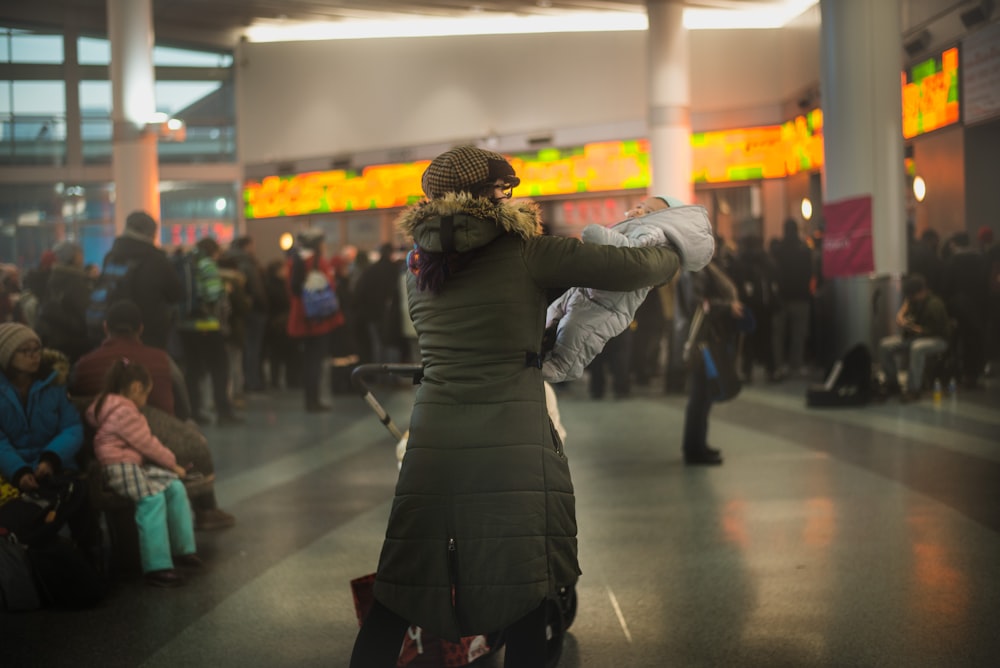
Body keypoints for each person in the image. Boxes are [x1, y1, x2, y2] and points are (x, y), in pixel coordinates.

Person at [349, 147, 688, 668]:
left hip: (434, 439)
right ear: (492, 196)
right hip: (510, 437)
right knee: (526, 585)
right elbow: (636, 267)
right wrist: (672, 239)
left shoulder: (418, 267)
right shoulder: (530, 252)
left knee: (401, 584)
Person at [69, 300, 235, 531]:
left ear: (105, 327)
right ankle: (205, 510)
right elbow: (183, 406)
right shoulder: (161, 358)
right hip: (160, 441)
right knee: (193, 434)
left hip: (104, 450)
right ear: (141, 329)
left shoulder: (84, 364)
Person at [85, 359, 201, 587]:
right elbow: (148, 444)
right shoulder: (125, 412)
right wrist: (173, 464)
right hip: (120, 467)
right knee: (152, 499)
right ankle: (157, 566)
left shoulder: (108, 405)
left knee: (175, 487)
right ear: (137, 387)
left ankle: (183, 549)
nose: (145, 400)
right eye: (146, 394)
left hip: (129, 465)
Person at [0, 323, 97, 550]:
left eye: (37, 349)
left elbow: (72, 428)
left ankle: (88, 557)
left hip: (56, 466)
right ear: (6, 355)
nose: (35, 356)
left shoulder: (54, 385)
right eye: (26, 351)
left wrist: (51, 457)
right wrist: (19, 471)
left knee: (78, 498)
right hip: (12, 472)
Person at [678, 243, 747, 465]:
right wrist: (727, 307)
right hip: (702, 342)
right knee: (700, 395)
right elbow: (698, 305)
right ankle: (694, 449)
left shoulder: (701, 267)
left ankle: (698, 445)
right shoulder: (696, 269)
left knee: (703, 395)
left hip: (706, 339)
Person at [176, 237, 242, 426]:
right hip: (207, 326)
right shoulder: (207, 264)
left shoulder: (188, 262)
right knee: (219, 369)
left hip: (186, 327)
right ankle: (224, 412)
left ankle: (194, 412)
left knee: (193, 371)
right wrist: (225, 290)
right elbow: (213, 295)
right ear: (214, 251)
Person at [98, 211, 183, 350]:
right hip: (149, 332)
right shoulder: (157, 260)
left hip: (114, 330)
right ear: (151, 233)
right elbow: (176, 294)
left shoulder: (111, 257)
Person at [285, 228, 344, 412]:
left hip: (300, 318)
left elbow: (290, 291)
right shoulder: (320, 262)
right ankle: (314, 401)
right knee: (316, 362)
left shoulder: (293, 263)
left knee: (308, 361)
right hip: (319, 319)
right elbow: (331, 286)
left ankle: (309, 400)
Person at [878, 274, 951, 401]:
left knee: (917, 348)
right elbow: (905, 311)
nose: (910, 298)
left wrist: (912, 328)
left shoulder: (934, 305)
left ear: (922, 291)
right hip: (916, 336)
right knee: (885, 345)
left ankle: (914, 389)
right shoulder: (913, 301)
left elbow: (935, 331)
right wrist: (904, 322)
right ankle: (892, 384)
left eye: (912, 295)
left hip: (938, 339)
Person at [34, 240, 92, 363]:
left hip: (53, 340)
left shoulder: (54, 277)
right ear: (73, 257)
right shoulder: (76, 281)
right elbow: (85, 314)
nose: (82, 257)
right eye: (79, 254)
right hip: (73, 343)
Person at [770, 218, 814, 378]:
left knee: (778, 335)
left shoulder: (778, 250)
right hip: (801, 298)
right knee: (798, 334)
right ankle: (796, 364)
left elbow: (773, 273)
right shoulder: (804, 249)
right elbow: (810, 272)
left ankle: (779, 366)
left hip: (781, 298)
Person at [227, 237, 269, 393]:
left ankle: (244, 382)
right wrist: (263, 305)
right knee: (253, 348)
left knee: (242, 351)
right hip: (253, 310)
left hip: (238, 312)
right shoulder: (247, 263)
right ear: (247, 246)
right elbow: (257, 289)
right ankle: (253, 382)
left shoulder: (230, 261)